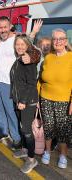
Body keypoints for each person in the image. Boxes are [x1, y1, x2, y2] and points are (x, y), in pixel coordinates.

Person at [0, 16, 42, 150]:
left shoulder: (16, 39)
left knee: (10, 111)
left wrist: (31, 57)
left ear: (10, 27)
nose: (2, 30)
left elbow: (36, 51)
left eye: (5, 27)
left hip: (10, 83)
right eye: (0, 27)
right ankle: (3, 131)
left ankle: (16, 138)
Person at [38, 28, 72, 169]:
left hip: (64, 100)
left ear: (66, 41)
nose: (57, 41)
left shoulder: (71, 57)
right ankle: (47, 151)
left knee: (63, 130)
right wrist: (38, 98)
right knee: (49, 127)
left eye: (61, 39)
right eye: (55, 39)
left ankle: (63, 155)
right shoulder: (48, 57)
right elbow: (40, 79)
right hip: (45, 98)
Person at [10, 34, 41, 173]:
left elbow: (31, 84)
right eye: (17, 44)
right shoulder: (19, 59)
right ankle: (24, 149)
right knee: (22, 126)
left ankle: (31, 159)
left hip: (28, 101)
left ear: (28, 45)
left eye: (23, 44)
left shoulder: (28, 60)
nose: (20, 47)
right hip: (19, 100)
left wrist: (23, 101)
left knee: (27, 131)